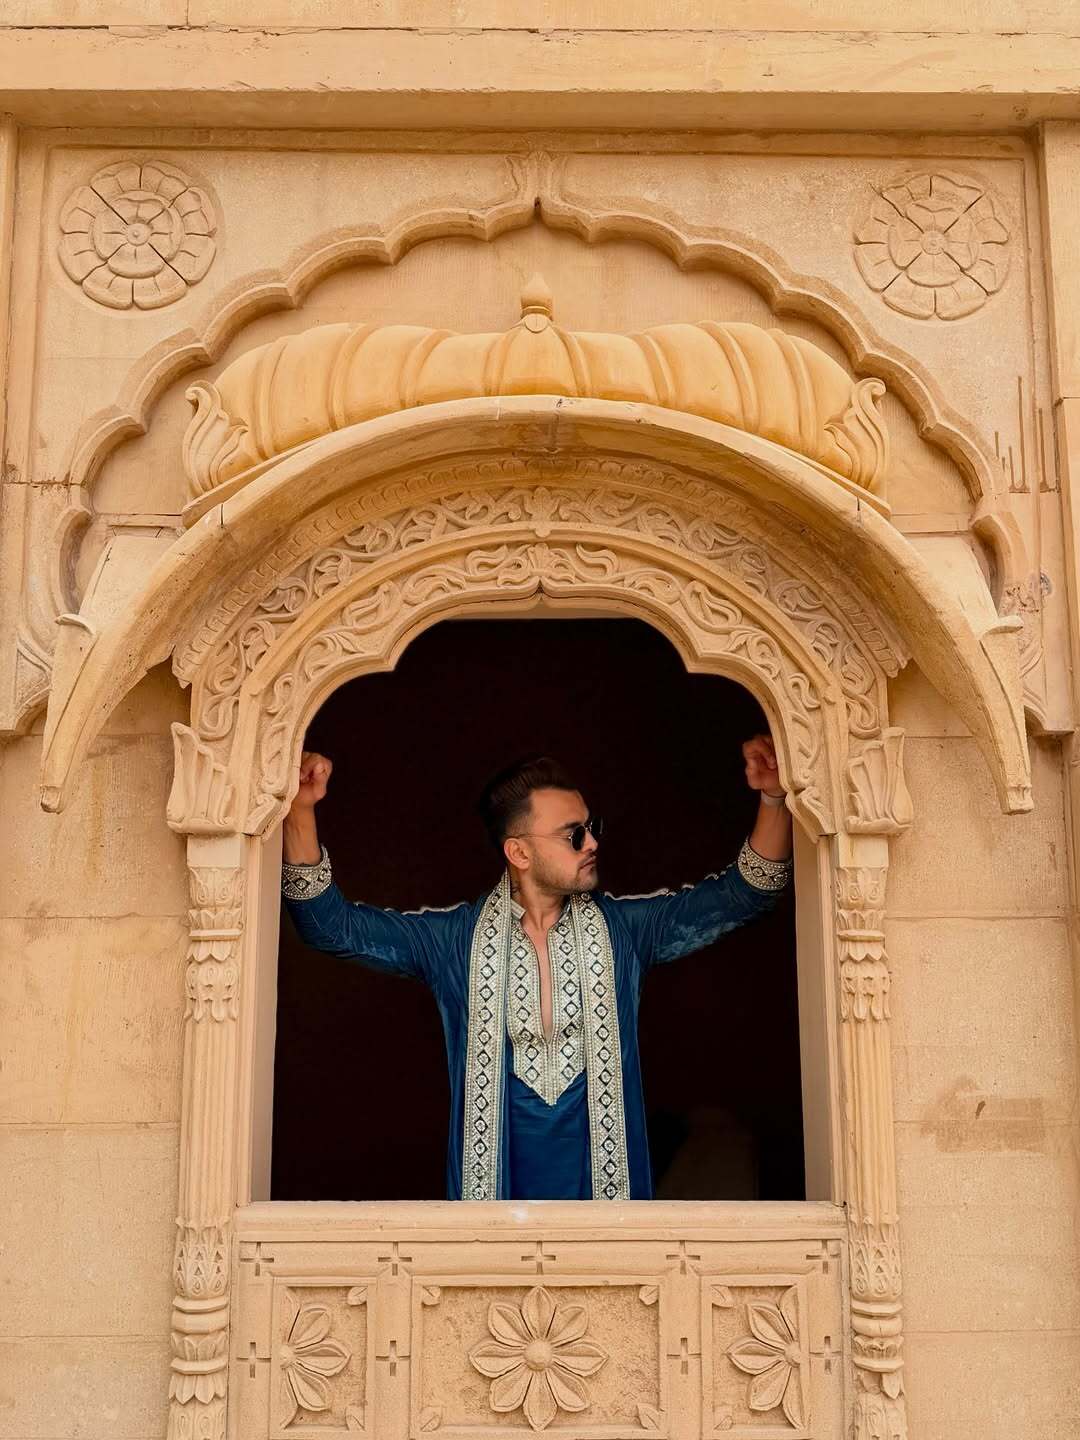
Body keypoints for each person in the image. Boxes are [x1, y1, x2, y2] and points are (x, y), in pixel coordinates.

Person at [280, 737, 793, 1201]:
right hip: (491, 1224)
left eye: (592, 829)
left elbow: (743, 896)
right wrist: (300, 811)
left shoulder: (626, 931)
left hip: (610, 1223)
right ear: (518, 851)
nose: (591, 843)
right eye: (573, 835)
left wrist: (773, 799)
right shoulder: (452, 942)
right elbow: (331, 928)